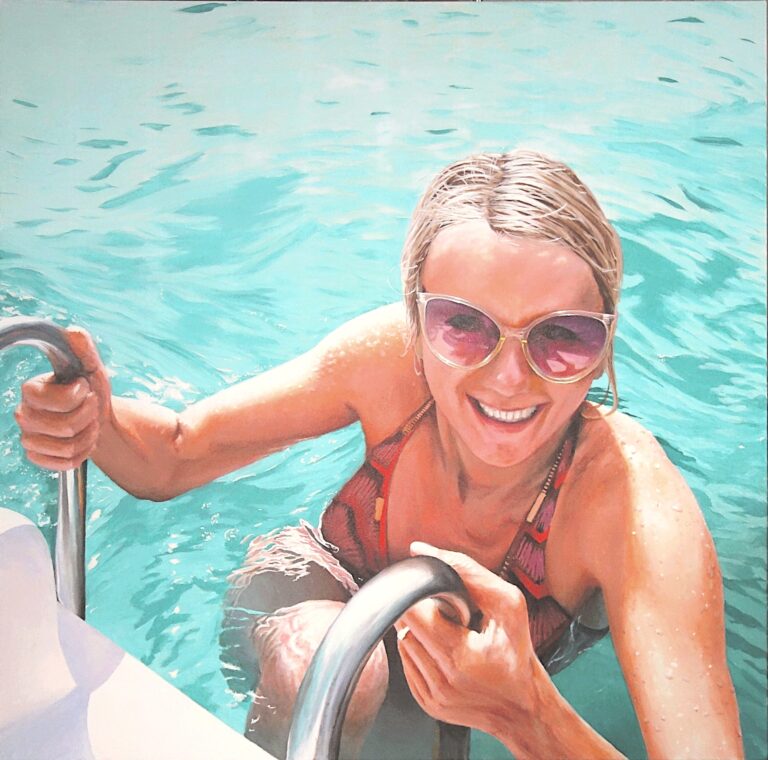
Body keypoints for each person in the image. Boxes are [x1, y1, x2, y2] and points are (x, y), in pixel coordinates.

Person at [15, 151, 743, 760]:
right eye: (463, 326)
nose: (509, 376)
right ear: (416, 320)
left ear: (605, 343)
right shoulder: (386, 365)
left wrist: (528, 713)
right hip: (324, 594)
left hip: (493, 692)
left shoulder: (635, 509)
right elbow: (172, 456)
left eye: (562, 336)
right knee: (328, 670)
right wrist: (94, 420)